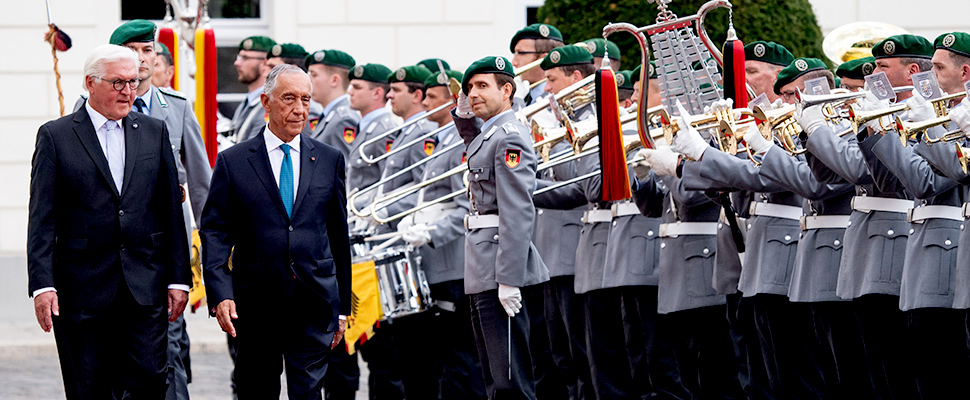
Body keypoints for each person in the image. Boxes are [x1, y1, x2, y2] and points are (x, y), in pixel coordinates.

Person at [28, 43, 190, 399]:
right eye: (118, 83)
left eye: (133, 82)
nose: (128, 91)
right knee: (89, 388)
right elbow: (42, 216)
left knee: (150, 383)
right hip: (81, 291)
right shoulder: (56, 136)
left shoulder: (154, 131)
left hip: (144, 288)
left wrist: (180, 278)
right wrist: (42, 284)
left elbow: (170, 212)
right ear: (91, 83)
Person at [79, 20, 212, 400]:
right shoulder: (86, 110)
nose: (141, 58)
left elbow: (201, 184)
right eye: (132, 50)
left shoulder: (177, 109)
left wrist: (210, 249)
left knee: (167, 353)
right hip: (105, 263)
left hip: (159, 255)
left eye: (147, 50)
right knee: (109, 362)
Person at [200, 64, 351, 400]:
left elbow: (339, 236)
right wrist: (220, 293)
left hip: (313, 301)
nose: (299, 109)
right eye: (289, 99)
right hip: (255, 305)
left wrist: (342, 308)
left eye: (305, 99)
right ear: (266, 102)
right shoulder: (234, 162)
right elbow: (215, 232)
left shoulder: (328, 160)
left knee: (309, 392)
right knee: (256, 390)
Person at [453, 55, 549, 399]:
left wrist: (509, 279)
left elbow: (518, 210)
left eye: (482, 86)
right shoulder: (491, 133)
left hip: (498, 268)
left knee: (510, 380)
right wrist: (464, 113)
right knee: (495, 377)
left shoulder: (508, 137)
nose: (473, 93)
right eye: (469, 88)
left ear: (507, 89)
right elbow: (474, 146)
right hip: (483, 264)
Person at [305, 49, 360, 158]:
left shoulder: (343, 120)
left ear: (334, 80)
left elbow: (345, 169)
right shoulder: (329, 116)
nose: (308, 80)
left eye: (314, 75)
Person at [230, 35, 276, 145]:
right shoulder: (249, 100)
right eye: (239, 57)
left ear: (265, 63)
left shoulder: (269, 105)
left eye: (245, 58)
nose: (237, 63)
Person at [510, 23, 564, 106]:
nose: (514, 63)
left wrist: (517, 100)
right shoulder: (529, 95)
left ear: (544, 59)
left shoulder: (557, 96)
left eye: (521, 53)